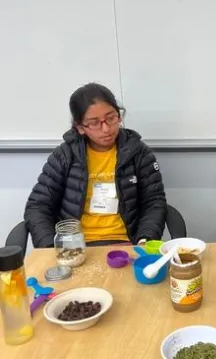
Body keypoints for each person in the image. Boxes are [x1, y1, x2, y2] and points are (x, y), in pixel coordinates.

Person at [25, 83, 167, 248]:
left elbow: (154, 202)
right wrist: (51, 248)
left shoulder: (138, 152)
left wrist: (145, 240)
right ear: (80, 127)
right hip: (75, 247)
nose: (106, 128)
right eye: (94, 123)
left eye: (111, 118)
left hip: (126, 243)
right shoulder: (64, 156)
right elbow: (38, 206)